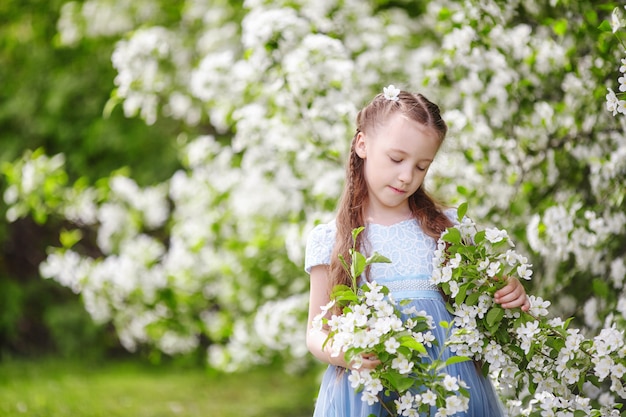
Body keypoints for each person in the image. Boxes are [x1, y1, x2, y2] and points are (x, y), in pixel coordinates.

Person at [304, 86, 530, 417]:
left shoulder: (447, 227)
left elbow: (486, 301)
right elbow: (316, 330)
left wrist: (509, 291)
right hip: (371, 392)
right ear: (362, 144)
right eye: (396, 159)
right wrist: (343, 351)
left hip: (447, 386)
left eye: (422, 166)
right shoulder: (332, 238)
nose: (407, 176)